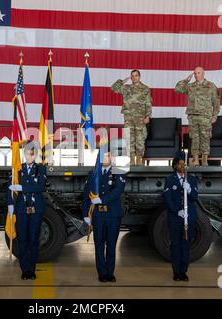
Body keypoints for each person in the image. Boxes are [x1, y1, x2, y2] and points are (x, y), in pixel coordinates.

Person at [82, 152, 126, 282]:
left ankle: (110, 273)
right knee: (99, 244)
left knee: (111, 244)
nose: (107, 158)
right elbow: (86, 195)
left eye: (109, 155)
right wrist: (86, 214)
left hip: (113, 215)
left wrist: (102, 199)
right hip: (98, 216)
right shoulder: (93, 174)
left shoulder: (118, 172)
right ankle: (102, 273)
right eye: (104, 155)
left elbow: (118, 190)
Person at [7, 143, 47, 280]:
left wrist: (22, 187)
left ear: (35, 155)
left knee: (33, 240)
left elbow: (40, 187)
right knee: (22, 240)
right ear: (23, 154)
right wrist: (9, 204)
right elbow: (10, 187)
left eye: (32, 153)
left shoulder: (41, 169)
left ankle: (32, 269)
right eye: (26, 153)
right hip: (21, 209)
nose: (29, 156)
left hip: (36, 209)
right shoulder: (17, 169)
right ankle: (25, 270)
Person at [163, 151, 198, 281]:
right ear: (175, 165)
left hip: (189, 218)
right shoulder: (169, 179)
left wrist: (189, 189)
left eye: (185, 164)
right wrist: (177, 211)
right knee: (175, 245)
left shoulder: (191, 179)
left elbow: (195, 197)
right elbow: (168, 199)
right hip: (175, 218)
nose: (183, 166)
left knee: (186, 245)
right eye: (180, 164)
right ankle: (176, 272)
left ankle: (183, 272)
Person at [175, 67, 220, 166]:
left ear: (203, 73)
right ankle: (195, 159)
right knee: (194, 138)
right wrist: (186, 80)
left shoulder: (211, 86)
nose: (196, 75)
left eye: (198, 73)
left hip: (205, 116)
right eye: (195, 73)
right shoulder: (190, 86)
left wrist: (215, 115)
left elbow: (216, 102)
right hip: (193, 116)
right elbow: (177, 88)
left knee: (205, 137)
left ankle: (204, 159)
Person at [111, 70, 152, 166]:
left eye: (136, 75)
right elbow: (113, 88)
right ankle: (131, 160)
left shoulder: (145, 88)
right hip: (128, 117)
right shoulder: (126, 88)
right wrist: (122, 81)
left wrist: (148, 116)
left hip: (140, 118)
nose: (134, 77)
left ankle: (139, 159)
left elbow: (148, 103)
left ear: (139, 77)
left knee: (140, 139)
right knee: (129, 138)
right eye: (132, 76)